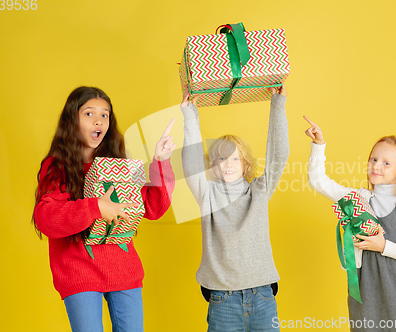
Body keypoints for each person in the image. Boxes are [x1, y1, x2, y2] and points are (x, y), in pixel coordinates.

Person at [32, 86, 175, 332]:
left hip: (123, 270)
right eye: (89, 114)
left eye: (105, 115)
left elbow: (153, 207)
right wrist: (96, 206)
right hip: (78, 271)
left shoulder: (119, 165)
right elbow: (46, 219)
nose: (98, 120)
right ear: (71, 119)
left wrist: (161, 162)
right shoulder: (57, 167)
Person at [304, 116, 396, 332]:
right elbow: (318, 181)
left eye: (386, 163)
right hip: (363, 302)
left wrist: (383, 246)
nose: (376, 166)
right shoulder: (357, 199)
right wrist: (319, 145)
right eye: (373, 159)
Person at [180, 86, 289, 332]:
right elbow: (191, 164)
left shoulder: (259, 191)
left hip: (262, 294)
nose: (227, 163)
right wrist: (190, 113)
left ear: (246, 164)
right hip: (223, 298)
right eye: (221, 158)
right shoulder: (207, 193)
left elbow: (278, 156)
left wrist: (278, 104)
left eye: (235, 158)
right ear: (212, 164)